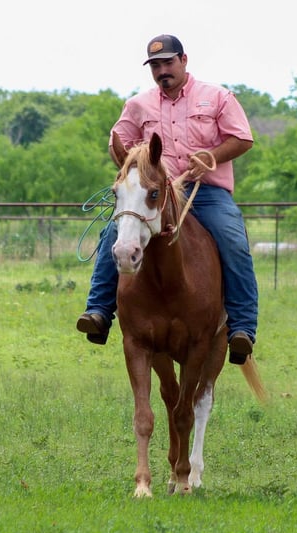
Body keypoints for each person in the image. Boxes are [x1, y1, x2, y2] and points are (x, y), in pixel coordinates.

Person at [76, 34, 259, 365]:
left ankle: (242, 328)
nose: (162, 71)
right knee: (113, 231)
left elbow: (242, 138)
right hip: (156, 193)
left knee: (232, 238)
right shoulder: (138, 105)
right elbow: (118, 144)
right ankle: (99, 311)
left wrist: (211, 157)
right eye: (155, 66)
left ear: (184, 60)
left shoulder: (217, 97)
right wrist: (135, 169)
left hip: (205, 191)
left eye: (168, 63)